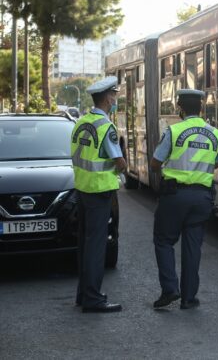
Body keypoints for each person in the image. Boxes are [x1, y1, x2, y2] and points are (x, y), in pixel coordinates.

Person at [150, 89, 218, 310]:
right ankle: (189, 298)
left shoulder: (173, 131)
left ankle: (170, 288)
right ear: (201, 108)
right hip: (202, 197)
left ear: (179, 108)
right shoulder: (215, 133)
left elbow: (155, 163)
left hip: (174, 196)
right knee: (193, 247)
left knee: (163, 240)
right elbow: (217, 163)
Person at [70, 76, 126, 313]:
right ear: (107, 98)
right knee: (96, 246)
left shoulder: (81, 122)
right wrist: (123, 166)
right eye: (114, 95)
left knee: (85, 243)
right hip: (100, 191)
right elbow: (119, 162)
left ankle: (83, 294)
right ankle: (93, 298)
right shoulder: (106, 127)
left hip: (82, 189)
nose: (115, 99)